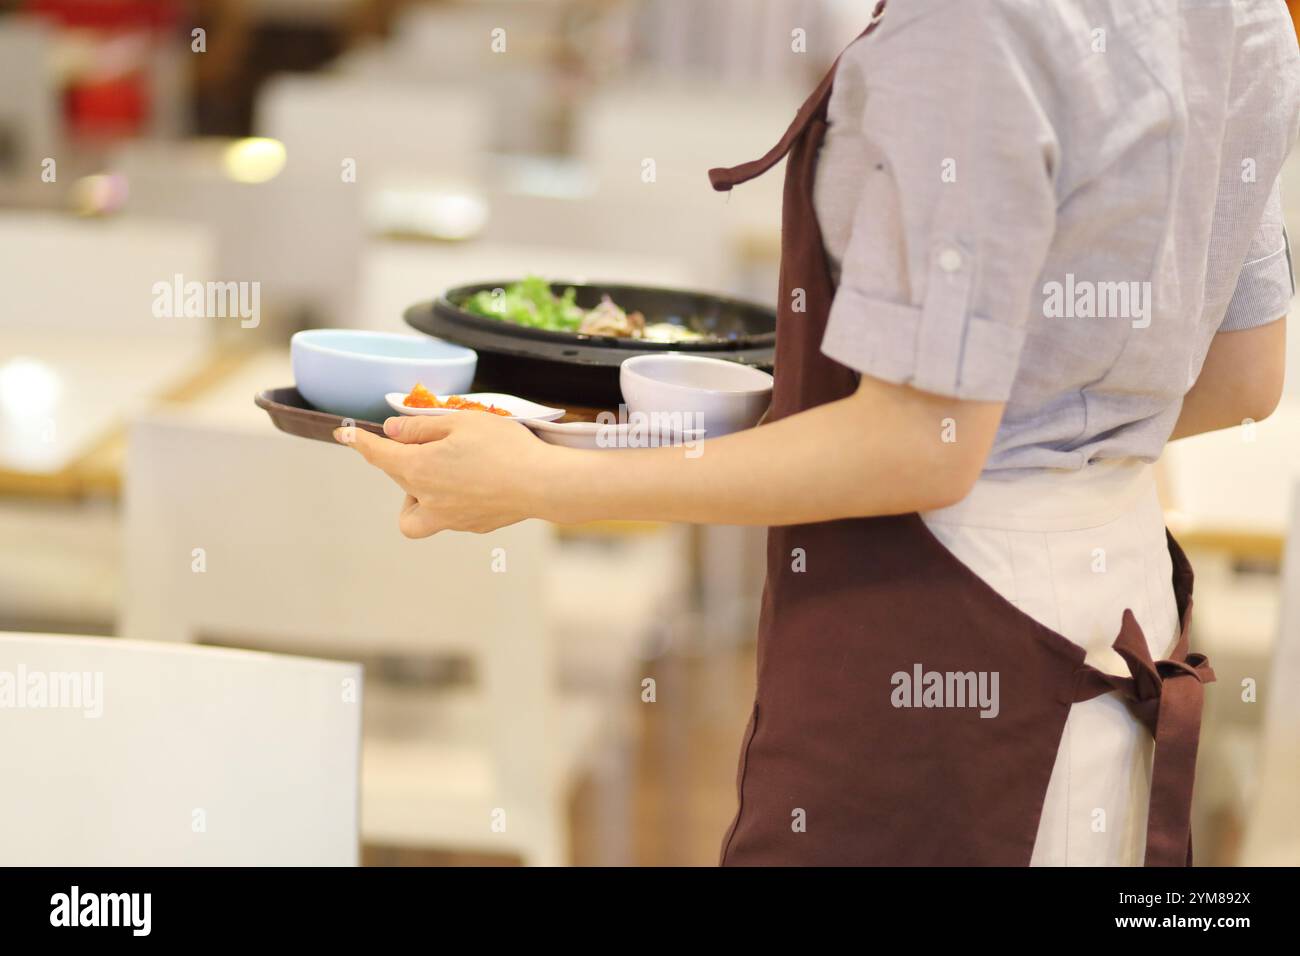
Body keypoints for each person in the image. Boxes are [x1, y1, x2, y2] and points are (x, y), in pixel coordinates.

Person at [338, 0, 1298, 865]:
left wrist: (540, 482)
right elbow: (1245, 380)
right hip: (1118, 596)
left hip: (939, 626)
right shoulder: (1245, 15)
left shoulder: (965, 27)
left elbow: (922, 446)